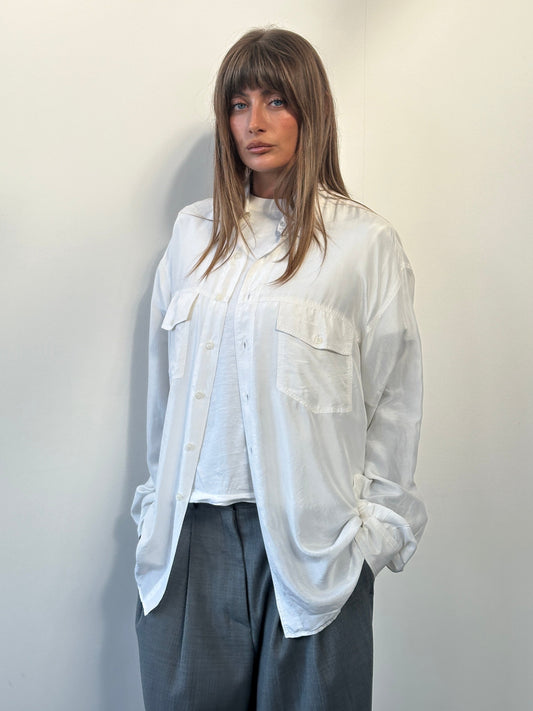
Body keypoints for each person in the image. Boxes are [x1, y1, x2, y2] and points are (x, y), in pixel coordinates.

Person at [131, 27, 427, 711]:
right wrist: (152, 508)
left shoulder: (363, 243)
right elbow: (163, 390)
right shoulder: (192, 235)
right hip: (189, 537)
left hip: (312, 540)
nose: (254, 123)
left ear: (310, 111)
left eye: (275, 101)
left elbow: (395, 396)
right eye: (238, 104)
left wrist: (375, 532)